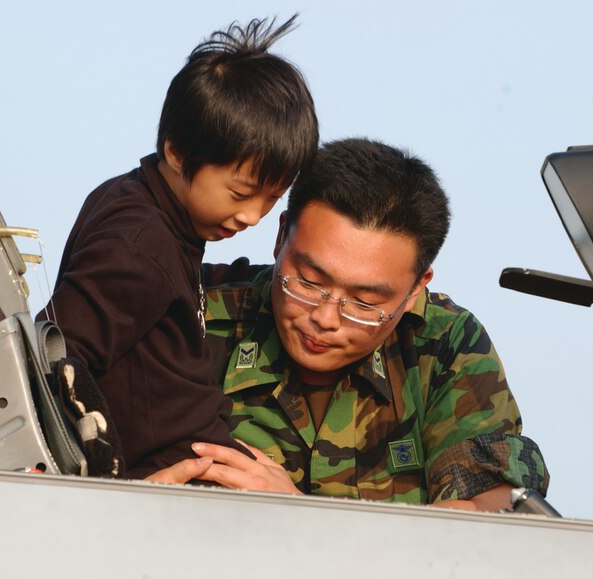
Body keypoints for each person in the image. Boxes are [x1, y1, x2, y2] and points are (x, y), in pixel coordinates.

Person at [150, 138, 548, 511]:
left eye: (365, 302)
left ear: (415, 290)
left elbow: (492, 522)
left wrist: (299, 517)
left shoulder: (445, 345)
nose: (324, 318)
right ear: (280, 237)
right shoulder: (191, 313)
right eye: (307, 282)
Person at [39, 16, 319, 479]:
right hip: (172, 493)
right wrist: (118, 491)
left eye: (271, 198)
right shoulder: (139, 244)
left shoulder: (148, 206)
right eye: (240, 193)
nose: (252, 216)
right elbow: (55, 353)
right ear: (177, 152)